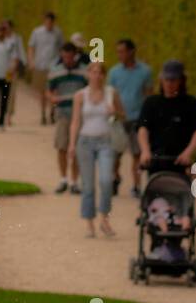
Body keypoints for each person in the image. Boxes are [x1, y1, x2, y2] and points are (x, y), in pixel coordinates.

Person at [68, 61, 125, 238]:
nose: (96, 75)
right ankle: (89, 223)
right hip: (85, 142)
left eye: (100, 72)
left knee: (106, 180)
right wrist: (71, 144)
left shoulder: (111, 93)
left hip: (105, 142)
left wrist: (114, 112)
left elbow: (123, 115)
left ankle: (104, 219)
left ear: (103, 75)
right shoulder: (80, 95)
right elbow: (76, 121)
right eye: (93, 72)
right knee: (88, 185)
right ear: (88, 74)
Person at [137, 61, 196, 173]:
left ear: (181, 80)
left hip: (181, 161)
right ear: (161, 79)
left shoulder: (191, 103)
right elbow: (143, 128)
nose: (169, 83)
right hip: (156, 160)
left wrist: (188, 152)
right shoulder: (151, 103)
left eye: (173, 80)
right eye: (166, 79)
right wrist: (145, 151)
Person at [108, 39, 153, 199]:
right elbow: (110, 94)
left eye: (122, 51)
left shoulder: (145, 71)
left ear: (131, 51)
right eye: (118, 51)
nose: (119, 55)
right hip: (118, 119)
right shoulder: (114, 72)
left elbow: (148, 94)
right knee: (114, 154)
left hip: (137, 119)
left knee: (137, 154)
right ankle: (116, 177)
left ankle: (136, 186)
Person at [47, 42, 89, 192]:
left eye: (70, 57)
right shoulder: (55, 71)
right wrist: (52, 98)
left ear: (75, 55)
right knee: (62, 146)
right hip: (63, 112)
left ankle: (74, 181)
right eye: (64, 57)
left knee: (77, 148)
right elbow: (49, 91)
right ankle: (63, 179)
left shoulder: (84, 72)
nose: (67, 60)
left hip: (80, 114)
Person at [27, 12, 63, 124]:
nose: (49, 24)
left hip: (54, 66)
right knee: (42, 92)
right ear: (44, 21)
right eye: (47, 22)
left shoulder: (58, 33)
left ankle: (52, 112)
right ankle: (43, 114)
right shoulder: (37, 32)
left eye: (51, 22)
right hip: (40, 65)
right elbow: (31, 47)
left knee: (54, 91)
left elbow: (62, 48)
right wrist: (31, 61)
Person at [3, 18, 26, 125]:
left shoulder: (17, 39)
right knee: (1, 91)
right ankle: (1, 114)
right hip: (1, 67)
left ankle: (8, 116)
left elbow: (21, 52)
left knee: (11, 92)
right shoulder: (0, 38)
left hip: (12, 67)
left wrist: (24, 64)